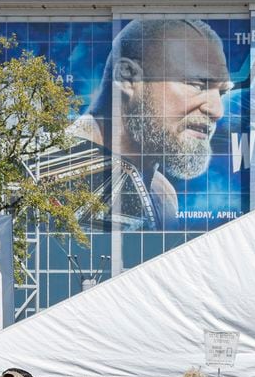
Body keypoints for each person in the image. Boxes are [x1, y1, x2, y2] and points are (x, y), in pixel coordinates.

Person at [62, 17, 233, 230]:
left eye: (222, 93)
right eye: (197, 84)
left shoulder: (162, 193)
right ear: (129, 79)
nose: (217, 111)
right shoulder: (48, 170)